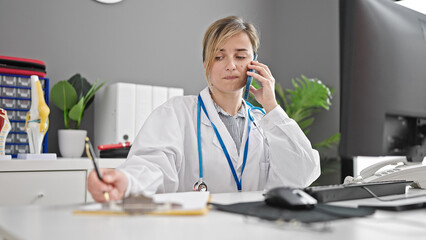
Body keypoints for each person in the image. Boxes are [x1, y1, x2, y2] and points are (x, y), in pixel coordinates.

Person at [88, 16, 320, 202]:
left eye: (240, 56)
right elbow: (152, 165)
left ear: (255, 62)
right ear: (206, 64)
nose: (230, 65)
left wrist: (272, 107)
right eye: (219, 57)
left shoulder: (266, 122)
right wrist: (126, 179)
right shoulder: (176, 113)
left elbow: (303, 172)